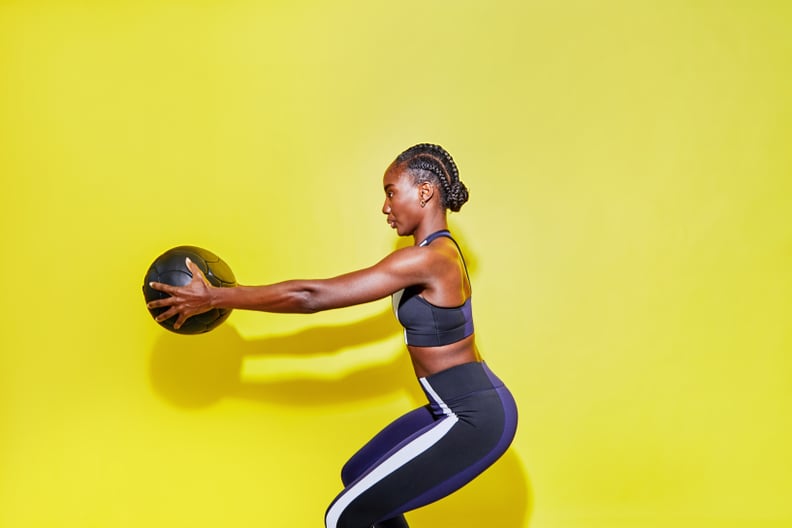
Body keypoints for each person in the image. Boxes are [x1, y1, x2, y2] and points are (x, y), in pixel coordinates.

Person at [147, 143, 519, 528]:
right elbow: (336, 327)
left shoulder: (429, 260)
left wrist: (216, 296)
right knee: (357, 475)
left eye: (391, 191)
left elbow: (312, 297)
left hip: (473, 416)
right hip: (457, 405)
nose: (385, 206)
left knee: (344, 516)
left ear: (424, 192)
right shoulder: (431, 254)